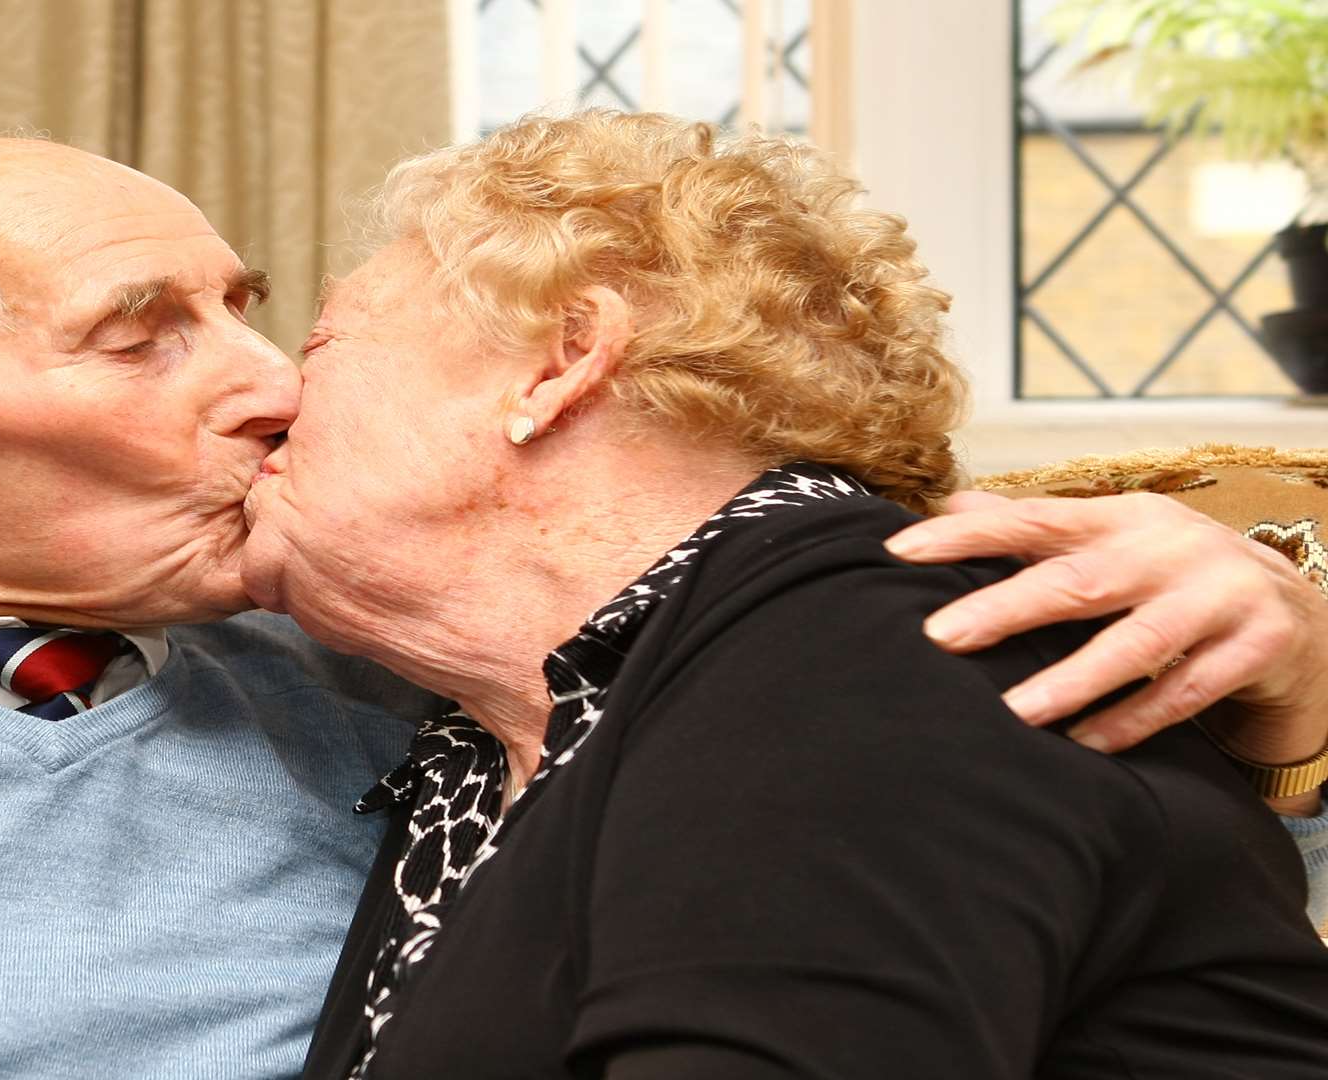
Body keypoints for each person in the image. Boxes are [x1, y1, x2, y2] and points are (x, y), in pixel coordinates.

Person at [0, 136, 1321, 1079]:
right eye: (145, 334)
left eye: (271, 314)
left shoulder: (424, 671)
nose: (264, 384)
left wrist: (1298, 652)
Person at [240, 112, 1328, 1078]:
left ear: (561, 362)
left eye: (321, 344)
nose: (274, 400)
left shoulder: (871, 639)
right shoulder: (494, 752)